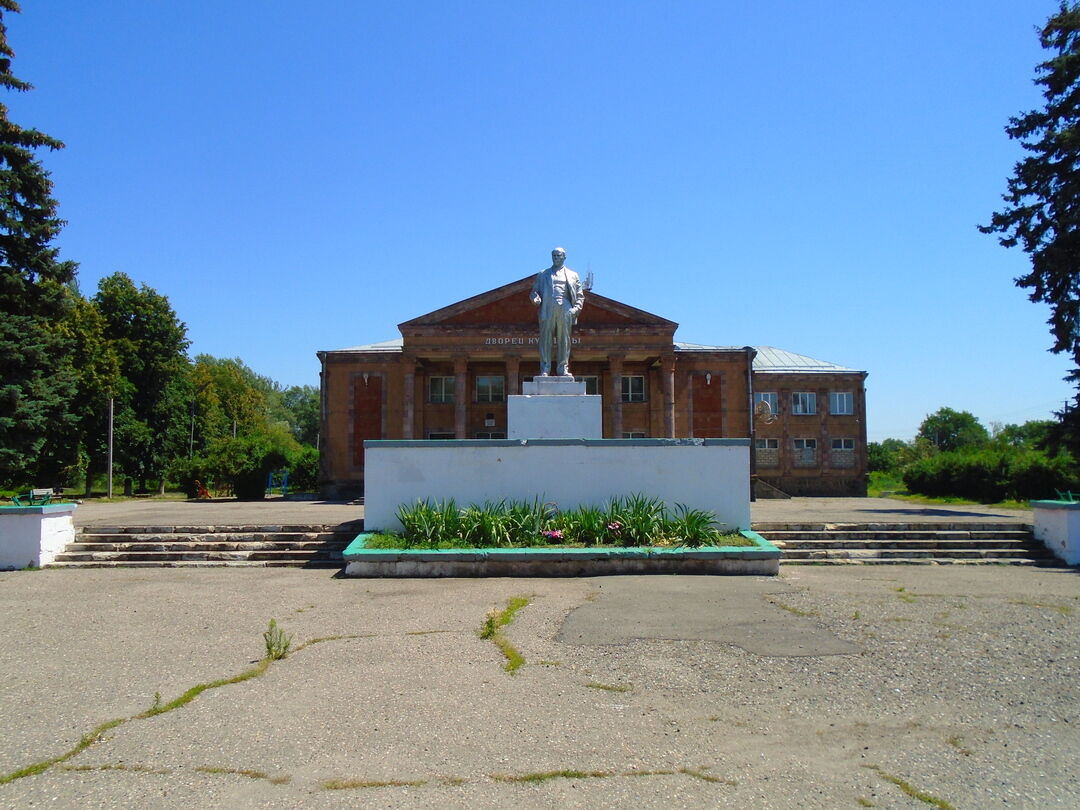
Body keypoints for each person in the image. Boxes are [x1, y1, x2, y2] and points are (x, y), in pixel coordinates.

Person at [530, 246, 584, 377]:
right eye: (554, 255)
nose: (556, 258)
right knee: (545, 340)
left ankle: (562, 368)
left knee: (564, 340)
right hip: (547, 307)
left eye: (559, 256)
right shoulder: (543, 274)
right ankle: (545, 368)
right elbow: (534, 292)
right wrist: (535, 298)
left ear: (564, 257)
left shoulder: (573, 275)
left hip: (565, 307)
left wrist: (575, 309)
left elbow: (580, 295)